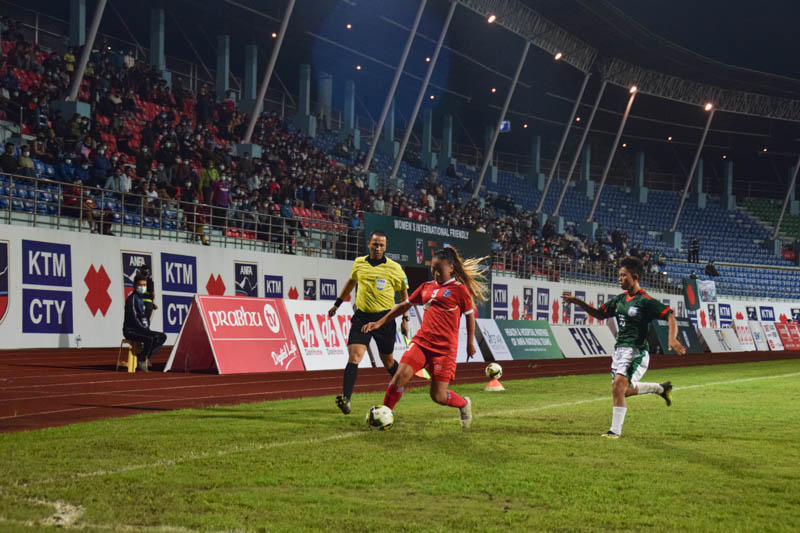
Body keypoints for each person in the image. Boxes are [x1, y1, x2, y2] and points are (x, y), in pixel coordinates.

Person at [362, 246, 487, 429]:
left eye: (439, 269)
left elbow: (469, 316)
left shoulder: (459, 290)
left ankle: (463, 404)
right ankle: (385, 414)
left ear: (451, 268)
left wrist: (469, 343)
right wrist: (379, 322)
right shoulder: (426, 287)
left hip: (444, 350)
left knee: (438, 396)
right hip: (421, 343)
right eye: (433, 269)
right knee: (399, 376)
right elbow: (404, 306)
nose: (435, 273)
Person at [562, 256, 686, 439]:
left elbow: (670, 316)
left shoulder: (645, 301)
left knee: (619, 387)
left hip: (636, 351)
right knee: (623, 391)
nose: (619, 279)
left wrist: (672, 338)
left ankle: (614, 431)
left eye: (623, 275)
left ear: (634, 277)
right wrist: (577, 302)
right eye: (618, 275)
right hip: (619, 351)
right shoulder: (619, 300)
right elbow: (599, 314)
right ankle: (661, 388)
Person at [328, 230, 410, 415]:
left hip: (385, 319)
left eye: (381, 245)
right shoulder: (359, 263)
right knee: (355, 356)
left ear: (385, 247)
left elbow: (404, 294)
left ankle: (400, 384)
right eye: (375, 244)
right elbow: (351, 282)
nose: (378, 248)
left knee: (388, 361)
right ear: (369, 244)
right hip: (362, 317)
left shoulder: (395, 268)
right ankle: (346, 399)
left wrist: (405, 319)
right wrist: (337, 304)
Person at [123, 275, 167, 371]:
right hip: (131, 330)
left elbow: (143, 318)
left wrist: (146, 329)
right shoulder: (132, 299)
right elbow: (134, 317)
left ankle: (144, 356)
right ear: (134, 286)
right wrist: (144, 330)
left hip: (141, 330)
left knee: (162, 336)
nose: (143, 287)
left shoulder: (140, 299)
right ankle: (142, 359)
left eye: (144, 285)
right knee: (152, 338)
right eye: (140, 285)